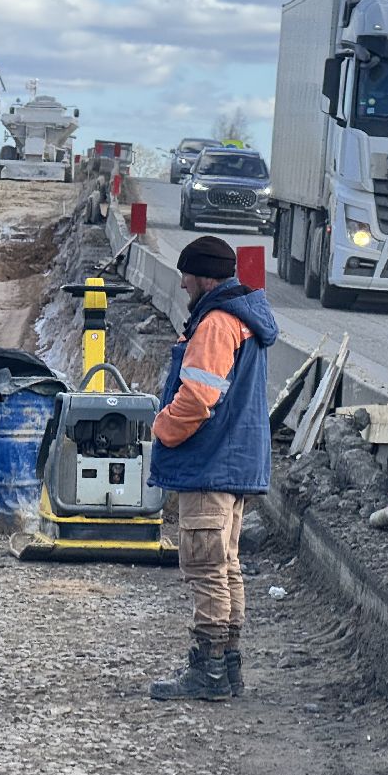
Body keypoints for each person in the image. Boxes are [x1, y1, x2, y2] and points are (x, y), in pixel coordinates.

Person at [148, 235, 279, 701]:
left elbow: (197, 399)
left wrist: (161, 428)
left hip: (209, 464)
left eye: (186, 274)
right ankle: (229, 668)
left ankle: (209, 671)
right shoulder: (243, 320)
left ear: (204, 276)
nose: (182, 283)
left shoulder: (217, 324)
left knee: (205, 567)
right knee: (225, 566)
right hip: (234, 463)